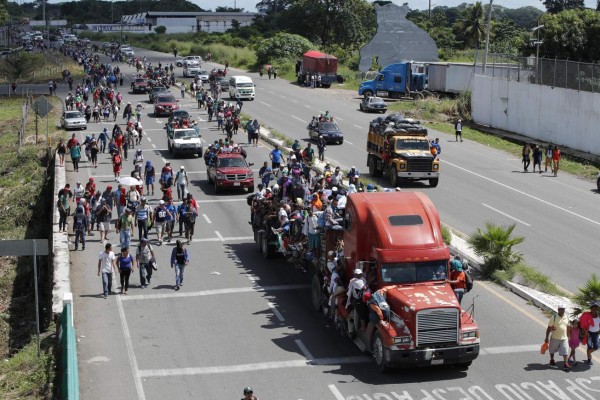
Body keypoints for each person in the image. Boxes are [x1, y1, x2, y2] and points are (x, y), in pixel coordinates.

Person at [545, 304, 571, 369]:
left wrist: (568, 336)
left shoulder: (566, 317)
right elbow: (549, 328)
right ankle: (552, 359)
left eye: (563, 309)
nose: (562, 311)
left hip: (564, 338)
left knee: (565, 351)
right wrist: (546, 337)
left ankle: (565, 363)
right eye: (561, 309)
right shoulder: (553, 317)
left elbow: (568, 327)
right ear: (558, 310)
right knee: (552, 350)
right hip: (554, 338)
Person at [579, 300, 600, 365]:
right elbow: (582, 324)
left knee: (596, 347)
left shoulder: (599, 315)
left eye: (595, 307)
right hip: (589, 333)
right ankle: (589, 359)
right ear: (590, 308)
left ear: (597, 308)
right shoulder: (586, 315)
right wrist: (586, 332)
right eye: (592, 308)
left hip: (596, 334)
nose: (594, 309)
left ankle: (589, 353)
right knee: (590, 346)